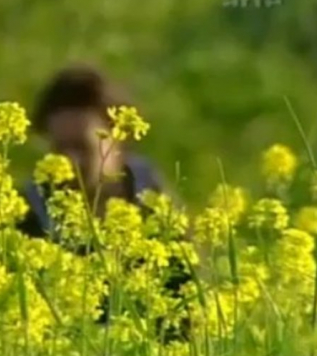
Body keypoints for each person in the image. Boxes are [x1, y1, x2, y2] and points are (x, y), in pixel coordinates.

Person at [16, 63, 191, 342]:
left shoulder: (155, 204)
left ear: (118, 137)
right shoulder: (28, 210)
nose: (71, 162)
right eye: (60, 148)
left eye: (83, 147)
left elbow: (186, 314)